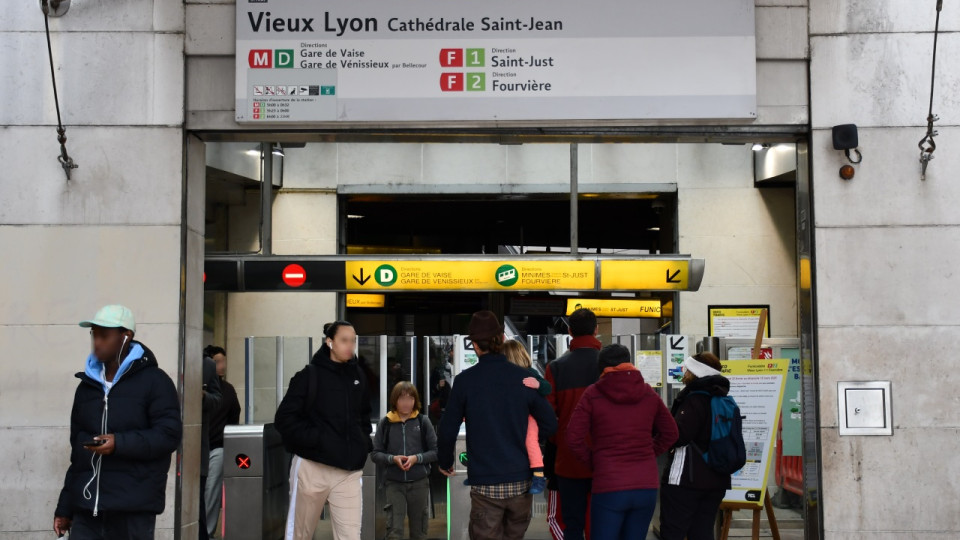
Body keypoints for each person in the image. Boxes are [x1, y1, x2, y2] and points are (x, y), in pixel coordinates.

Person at [53, 305, 182, 539]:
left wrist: (119, 443)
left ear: (126, 337)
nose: (97, 342)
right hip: (86, 511)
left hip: (132, 511)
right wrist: (65, 507)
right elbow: (77, 456)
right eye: (94, 334)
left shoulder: (156, 381)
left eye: (104, 335)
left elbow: (168, 436)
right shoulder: (87, 387)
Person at [437, 310, 558, 540]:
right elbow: (550, 423)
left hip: (485, 485)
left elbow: (448, 427)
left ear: (473, 344)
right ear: (502, 339)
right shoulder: (522, 378)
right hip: (521, 484)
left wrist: (445, 461)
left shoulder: (465, 381)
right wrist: (527, 436)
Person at [566, 345, 679, 540]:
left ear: (601, 368)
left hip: (609, 484)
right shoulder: (648, 393)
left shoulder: (593, 394)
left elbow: (573, 437)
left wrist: (595, 461)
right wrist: (648, 452)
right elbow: (671, 432)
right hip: (645, 485)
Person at [274, 321, 372, 540]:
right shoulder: (309, 376)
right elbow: (284, 419)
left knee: (350, 536)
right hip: (312, 467)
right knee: (301, 534)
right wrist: (318, 440)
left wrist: (363, 443)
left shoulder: (359, 376)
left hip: (348, 472)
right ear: (330, 342)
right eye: (344, 340)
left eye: (353, 340)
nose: (350, 346)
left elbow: (364, 415)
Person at [659, 352, 734, 540]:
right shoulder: (725, 400)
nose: (684, 372)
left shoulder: (694, 400)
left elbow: (679, 436)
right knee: (702, 531)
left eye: (688, 368)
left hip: (686, 479)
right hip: (717, 478)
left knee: (673, 530)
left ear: (695, 372)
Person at [544, 308, 601, 540]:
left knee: (572, 523)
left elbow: (548, 417)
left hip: (568, 460)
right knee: (601, 522)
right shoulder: (608, 366)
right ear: (596, 330)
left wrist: (560, 440)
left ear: (569, 331)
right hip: (604, 458)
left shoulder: (556, 368)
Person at [371, 381, 438, 540]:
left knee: (419, 532)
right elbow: (375, 454)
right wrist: (392, 459)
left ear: (415, 400)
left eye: (410, 398)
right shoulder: (385, 423)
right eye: (402, 399)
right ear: (395, 400)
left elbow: (436, 452)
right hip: (394, 483)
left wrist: (417, 458)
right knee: (394, 531)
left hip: (419, 482)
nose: (406, 403)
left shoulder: (423, 421)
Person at [503, 339, 552, 495]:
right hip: (524, 416)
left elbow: (547, 387)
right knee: (531, 442)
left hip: (527, 417)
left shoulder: (529, 373)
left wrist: (538, 384)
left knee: (531, 441)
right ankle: (538, 475)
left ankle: (538, 475)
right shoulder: (525, 372)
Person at [204, 345, 241, 538]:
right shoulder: (200, 388)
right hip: (200, 447)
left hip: (218, 446)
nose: (222, 365)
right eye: (217, 361)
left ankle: (208, 532)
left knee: (212, 490)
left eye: (223, 361)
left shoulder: (228, 390)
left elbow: (235, 415)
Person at [199, 354, 222, 540]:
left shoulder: (207, 365)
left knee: (202, 497)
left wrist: (203, 396)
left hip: (201, 445)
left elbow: (217, 399)